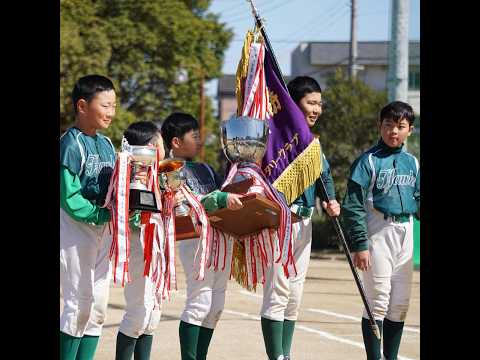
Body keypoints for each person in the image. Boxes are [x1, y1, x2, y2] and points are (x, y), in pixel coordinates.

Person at [260, 76, 341, 360]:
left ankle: (286, 354)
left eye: (320, 103)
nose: (317, 109)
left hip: (304, 224)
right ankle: (276, 357)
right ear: (294, 105)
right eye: (311, 102)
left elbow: (324, 174)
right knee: (278, 292)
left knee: (294, 295)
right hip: (280, 223)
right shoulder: (273, 138)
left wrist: (331, 200)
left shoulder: (312, 143)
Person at [160, 112, 243, 360]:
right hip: (194, 240)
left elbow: (224, 193)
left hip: (219, 238)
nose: (200, 140)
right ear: (176, 142)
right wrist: (220, 199)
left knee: (216, 306)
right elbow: (185, 204)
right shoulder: (168, 167)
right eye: (194, 136)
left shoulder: (205, 168)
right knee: (199, 303)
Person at [342, 101, 420, 360]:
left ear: (410, 130)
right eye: (388, 125)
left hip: (406, 230)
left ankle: (391, 357)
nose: (393, 131)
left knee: (400, 303)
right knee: (377, 301)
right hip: (378, 230)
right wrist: (360, 244)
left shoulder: (413, 163)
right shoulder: (368, 162)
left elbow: (417, 202)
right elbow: (352, 206)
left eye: (400, 126)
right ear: (380, 126)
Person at [60, 75, 117, 360]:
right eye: (105, 105)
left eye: (114, 106)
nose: (111, 112)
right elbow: (69, 198)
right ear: (82, 106)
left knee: (98, 307)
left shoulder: (108, 145)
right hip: (75, 228)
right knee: (78, 304)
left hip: (102, 229)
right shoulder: (70, 143)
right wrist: (100, 213)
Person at [115, 121, 166, 360]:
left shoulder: (158, 179)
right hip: (138, 250)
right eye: (161, 144)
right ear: (149, 148)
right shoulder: (129, 180)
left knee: (152, 315)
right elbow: (131, 217)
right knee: (138, 313)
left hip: (154, 250)